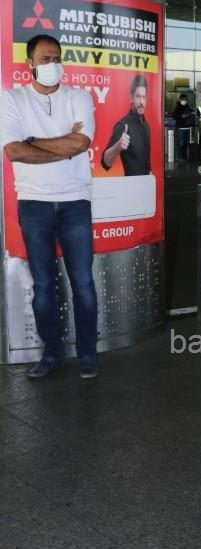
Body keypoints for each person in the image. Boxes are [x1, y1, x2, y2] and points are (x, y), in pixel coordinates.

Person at [0, 34, 98, 379]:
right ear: (30, 64)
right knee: (43, 286)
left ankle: (88, 354)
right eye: (45, 59)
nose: (52, 64)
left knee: (83, 283)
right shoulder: (12, 99)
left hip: (75, 201)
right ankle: (52, 353)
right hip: (34, 203)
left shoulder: (78, 97)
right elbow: (14, 151)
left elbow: (81, 142)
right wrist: (62, 147)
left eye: (56, 58)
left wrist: (34, 141)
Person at [102, 74, 151, 175]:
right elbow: (105, 162)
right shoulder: (123, 125)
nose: (141, 102)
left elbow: (145, 161)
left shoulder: (146, 126)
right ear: (131, 98)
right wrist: (118, 146)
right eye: (138, 96)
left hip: (146, 182)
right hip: (131, 183)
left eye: (144, 97)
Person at [173, 93, 192, 159]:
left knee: (185, 143)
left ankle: (184, 157)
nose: (184, 101)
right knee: (180, 143)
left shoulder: (187, 106)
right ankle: (179, 157)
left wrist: (189, 114)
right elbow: (174, 116)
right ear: (180, 99)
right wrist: (181, 116)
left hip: (187, 127)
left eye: (185, 99)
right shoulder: (178, 107)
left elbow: (190, 112)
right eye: (183, 99)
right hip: (180, 128)